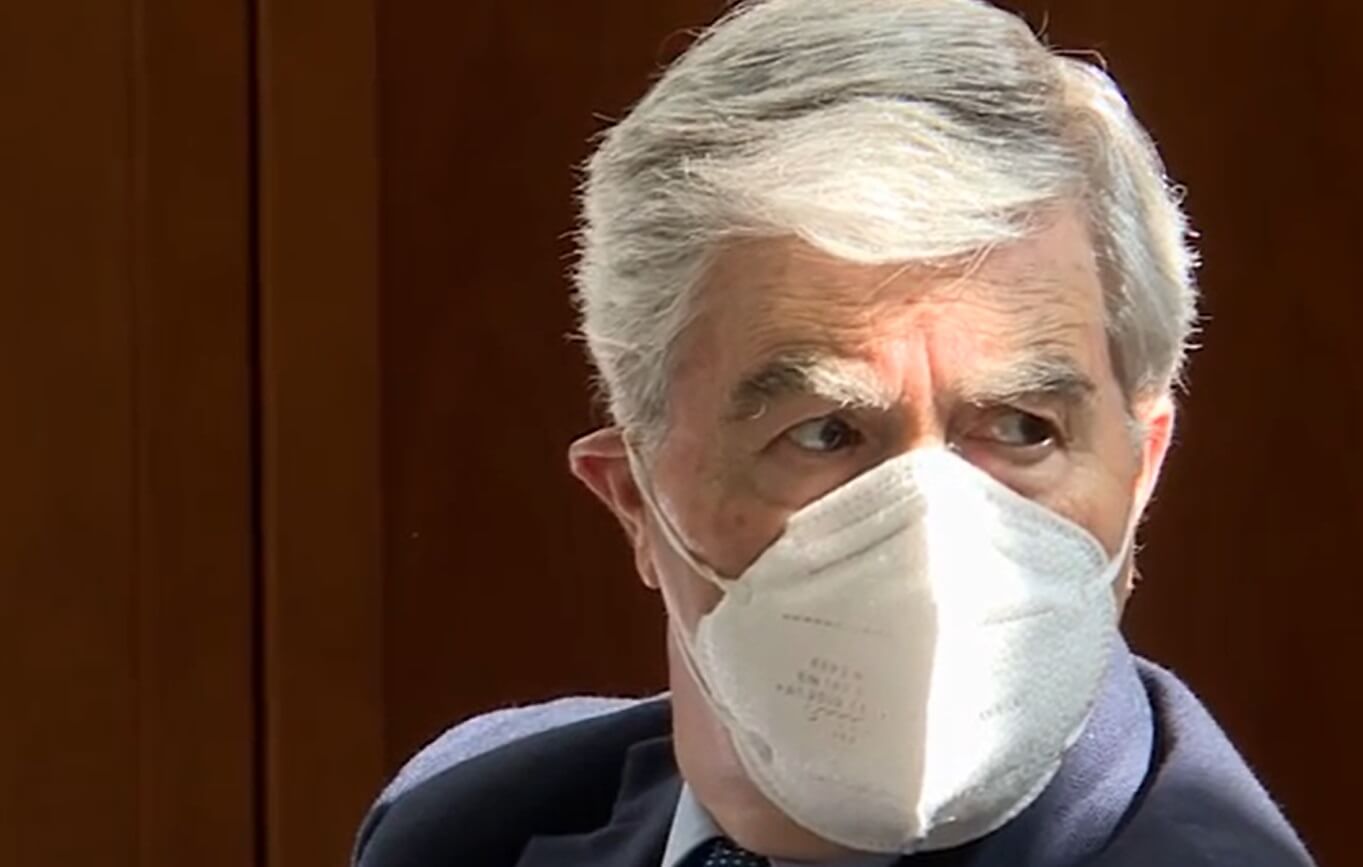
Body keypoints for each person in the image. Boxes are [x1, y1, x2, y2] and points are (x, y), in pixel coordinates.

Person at [353, 1, 1316, 864]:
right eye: (824, 433)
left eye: (1022, 429)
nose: (930, 544)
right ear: (633, 497)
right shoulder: (468, 823)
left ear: (1140, 468)